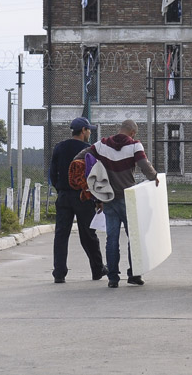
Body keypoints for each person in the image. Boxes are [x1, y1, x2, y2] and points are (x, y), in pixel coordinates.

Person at [75, 119, 157, 288]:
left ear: (120, 130)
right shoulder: (135, 146)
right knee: (133, 237)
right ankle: (134, 274)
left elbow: (80, 157)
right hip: (128, 198)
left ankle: (113, 277)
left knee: (112, 238)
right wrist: (154, 176)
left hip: (109, 198)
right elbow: (144, 166)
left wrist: (91, 176)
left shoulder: (102, 145)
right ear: (133, 132)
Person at [48, 117, 107, 284]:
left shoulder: (59, 147)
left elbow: (53, 173)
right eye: (89, 130)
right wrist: (97, 199)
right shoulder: (88, 149)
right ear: (83, 131)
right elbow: (93, 177)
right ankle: (97, 269)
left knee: (61, 235)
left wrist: (60, 189)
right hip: (83, 196)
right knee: (88, 234)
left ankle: (59, 273)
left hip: (64, 196)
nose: (90, 133)